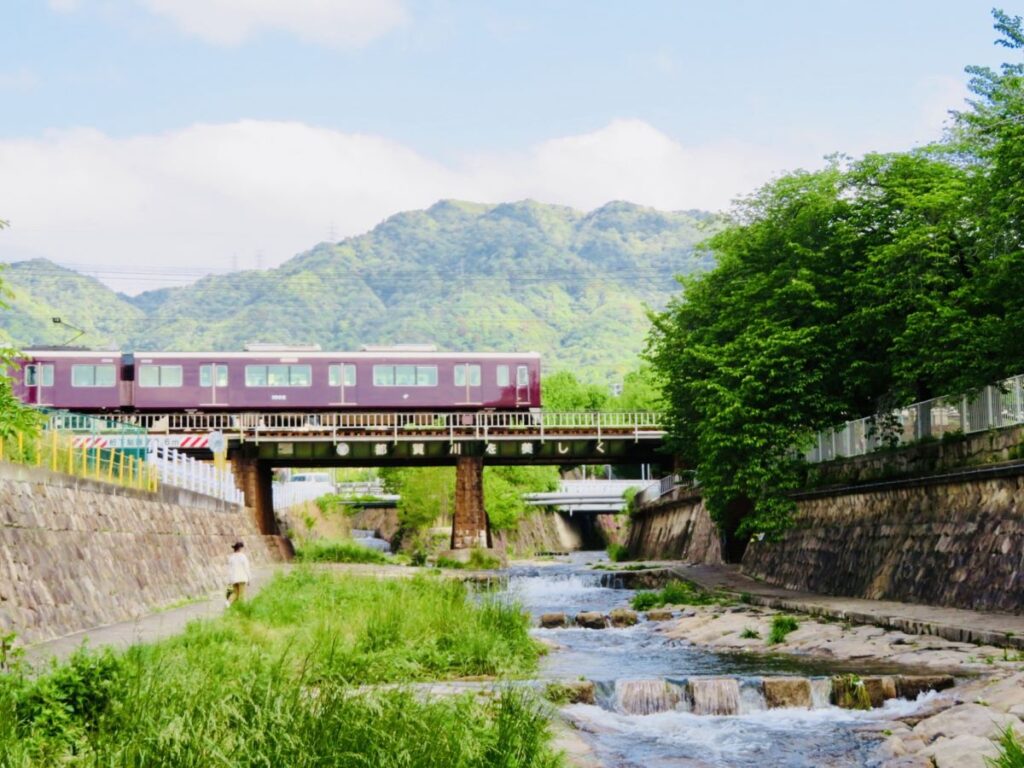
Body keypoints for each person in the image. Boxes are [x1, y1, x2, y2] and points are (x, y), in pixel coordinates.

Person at [226, 541, 251, 605]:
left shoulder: (231, 557)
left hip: (234, 579)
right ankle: (241, 608)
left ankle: (227, 603)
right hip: (242, 578)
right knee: (241, 595)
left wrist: (229, 580)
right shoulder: (243, 556)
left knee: (235, 593)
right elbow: (246, 568)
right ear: (240, 548)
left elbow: (229, 570)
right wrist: (249, 579)